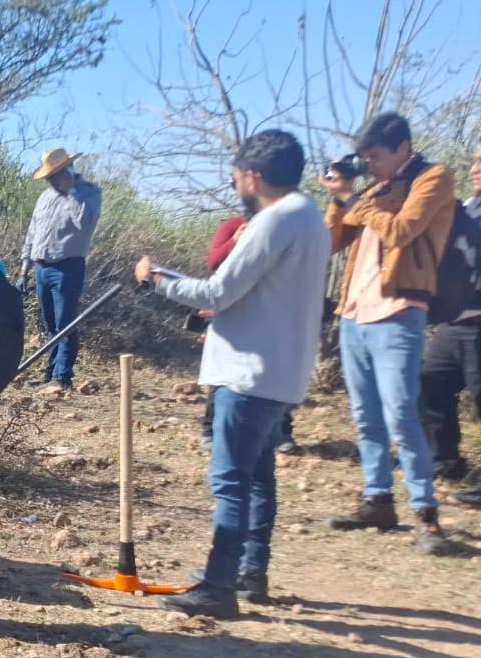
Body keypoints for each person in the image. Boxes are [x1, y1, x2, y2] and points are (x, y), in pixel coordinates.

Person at [136, 129, 331, 618]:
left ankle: (220, 586)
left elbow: (217, 294)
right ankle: (251, 573)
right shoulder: (311, 216)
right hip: (280, 371)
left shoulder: (273, 222)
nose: (235, 184)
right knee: (258, 479)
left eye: (237, 176)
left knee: (231, 482)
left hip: (249, 373)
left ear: (254, 176)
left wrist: (157, 280)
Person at [321, 111, 457, 553]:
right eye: (365, 159)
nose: (371, 166)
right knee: (365, 414)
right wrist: (339, 200)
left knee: (401, 412)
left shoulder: (433, 178)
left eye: (376, 157)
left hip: (399, 308)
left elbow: (403, 230)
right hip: (355, 312)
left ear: (403, 148)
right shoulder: (375, 190)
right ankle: (377, 498)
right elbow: (332, 242)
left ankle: (426, 513)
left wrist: (361, 204)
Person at [199, 215, 298, 454]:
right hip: (234, 306)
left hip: (274, 309)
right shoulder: (235, 224)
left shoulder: (287, 227)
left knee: (277, 370)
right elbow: (214, 261)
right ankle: (211, 430)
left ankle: (280, 431)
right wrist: (235, 240)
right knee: (224, 371)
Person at [417, 142, 481, 501]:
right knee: (429, 382)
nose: (474, 169)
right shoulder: (465, 209)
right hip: (454, 321)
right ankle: (446, 460)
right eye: (474, 161)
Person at [20, 148, 103, 389]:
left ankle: (62, 377)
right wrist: (25, 268)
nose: (51, 181)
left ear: (66, 171)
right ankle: (50, 373)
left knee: (65, 324)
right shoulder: (45, 197)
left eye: (54, 176)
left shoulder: (89, 193)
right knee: (50, 325)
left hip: (67, 267)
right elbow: (33, 232)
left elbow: (85, 223)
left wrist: (71, 192)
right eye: (49, 177)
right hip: (40, 267)